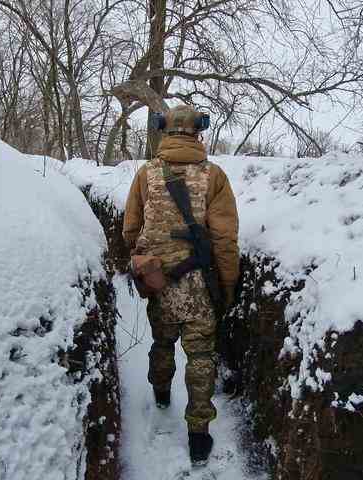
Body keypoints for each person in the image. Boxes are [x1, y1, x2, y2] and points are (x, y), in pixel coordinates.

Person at [122, 104, 240, 466]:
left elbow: (130, 229)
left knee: (162, 342)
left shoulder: (146, 174)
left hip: (159, 281)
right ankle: (199, 435)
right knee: (201, 357)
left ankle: (160, 393)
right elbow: (225, 241)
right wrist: (228, 285)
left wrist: (145, 261)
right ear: (198, 131)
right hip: (201, 287)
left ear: (164, 130)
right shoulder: (215, 176)